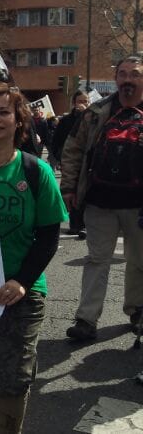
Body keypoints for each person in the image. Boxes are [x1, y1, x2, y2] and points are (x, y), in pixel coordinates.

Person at [0, 82, 68, 433]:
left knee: (12, 376)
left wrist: (21, 281)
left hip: (21, 292)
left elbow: (49, 236)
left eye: (4, 112)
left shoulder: (34, 172)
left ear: (18, 120)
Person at [61, 55, 143, 341]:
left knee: (139, 262)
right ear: (116, 78)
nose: (128, 80)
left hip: (139, 206)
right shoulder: (96, 112)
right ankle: (86, 320)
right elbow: (73, 148)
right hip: (99, 202)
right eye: (122, 74)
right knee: (97, 260)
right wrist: (69, 188)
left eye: (134, 74)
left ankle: (137, 311)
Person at [53, 90, 89, 237]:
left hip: (88, 164)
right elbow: (57, 141)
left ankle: (85, 225)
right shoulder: (66, 121)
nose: (84, 104)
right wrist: (59, 158)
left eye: (86, 101)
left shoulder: (93, 119)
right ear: (74, 103)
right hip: (71, 163)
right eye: (81, 101)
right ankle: (75, 224)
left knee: (86, 192)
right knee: (72, 192)